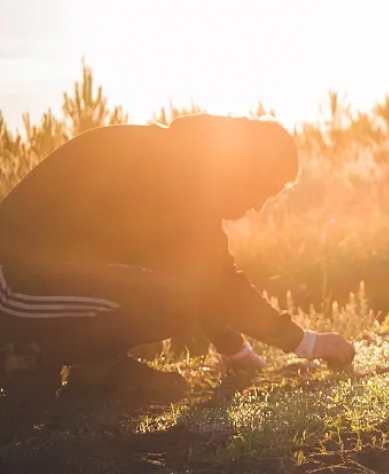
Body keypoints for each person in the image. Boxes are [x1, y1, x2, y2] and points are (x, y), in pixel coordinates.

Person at [0, 115, 356, 409]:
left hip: (43, 274)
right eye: (266, 188)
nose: (260, 205)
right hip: (13, 280)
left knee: (172, 295)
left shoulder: (185, 163)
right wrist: (306, 343)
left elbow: (198, 273)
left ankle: (94, 369)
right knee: (171, 302)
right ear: (247, 165)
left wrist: (233, 349)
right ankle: (26, 355)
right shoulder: (180, 173)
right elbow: (217, 283)